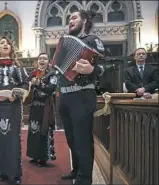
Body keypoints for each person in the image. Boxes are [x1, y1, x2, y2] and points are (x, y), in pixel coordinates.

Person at [52, 10, 105, 185]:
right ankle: (76, 170)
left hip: (82, 95)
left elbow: (105, 65)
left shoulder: (92, 40)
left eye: (74, 17)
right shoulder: (66, 43)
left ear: (85, 21)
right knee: (71, 138)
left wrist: (92, 70)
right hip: (65, 97)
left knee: (82, 139)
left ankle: (85, 178)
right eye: (69, 18)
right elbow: (59, 67)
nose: (70, 21)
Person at [0, 36, 29, 185]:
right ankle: (2, 169)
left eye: (8, 42)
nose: (5, 45)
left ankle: (14, 173)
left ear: (11, 47)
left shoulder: (18, 67)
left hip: (13, 106)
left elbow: (26, 84)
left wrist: (18, 95)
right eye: (2, 43)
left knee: (13, 139)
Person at [26, 52, 57, 167]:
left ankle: (43, 158)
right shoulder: (33, 73)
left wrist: (39, 83)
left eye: (44, 58)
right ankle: (34, 155)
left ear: (48, 61)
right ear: (37, 61)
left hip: (45, 107)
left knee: (43, 132)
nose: (42, 60)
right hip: (34, 106)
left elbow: (51, 89)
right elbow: (26, 86)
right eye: (40, 58)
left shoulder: (52, 74)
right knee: (33, 130)